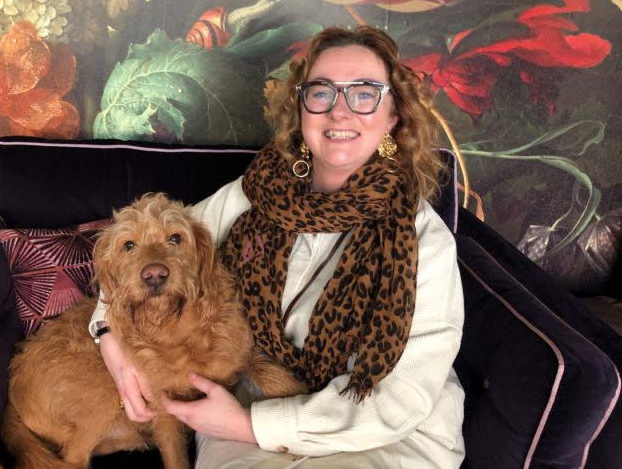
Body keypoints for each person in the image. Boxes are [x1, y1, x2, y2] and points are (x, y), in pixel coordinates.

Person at [90, 25, 465, 468]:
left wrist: (252, 426)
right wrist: (109, 339)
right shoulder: (255, 193)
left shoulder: (425, 240)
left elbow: (399, 402)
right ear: (301, 109)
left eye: (364, 94)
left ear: (392, 117)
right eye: (322, 93)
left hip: (384, 437)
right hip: (246, 409)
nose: (340, 111)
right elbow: (146, 258)